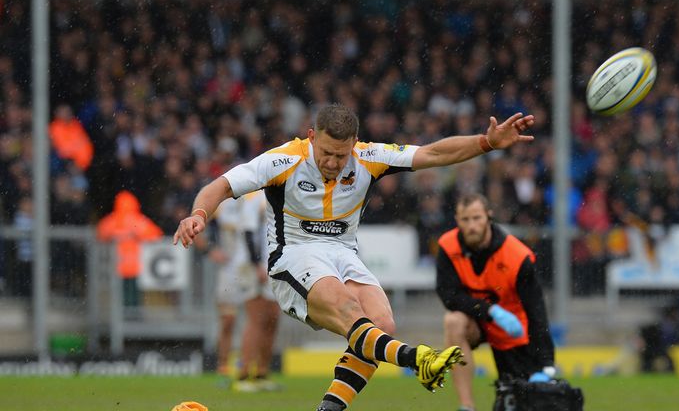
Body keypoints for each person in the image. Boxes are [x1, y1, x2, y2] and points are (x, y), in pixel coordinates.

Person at [174, 104, 535, 411]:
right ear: (312, 136)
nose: (332, 162)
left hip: (344, 254)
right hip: (293, 257)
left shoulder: (368, 157)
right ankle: (416, 358)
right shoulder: (283, 160)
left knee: (382, 324)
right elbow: (219, 186)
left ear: (354, 145)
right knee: (351, 312)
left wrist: (487, 142)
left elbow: (434, 154)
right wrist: (199, 215)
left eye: (340, 155)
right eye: (326, 152)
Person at [436, 193, 555, 411]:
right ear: (456, 219)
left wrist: (546, 364)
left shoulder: (517, 256)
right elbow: (448, 296)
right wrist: (490, 311)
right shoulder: (447, 246)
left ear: (489, 216)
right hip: (480, 322)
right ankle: (466, 407)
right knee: (453, 321)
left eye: (477, 218)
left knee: (521, 402)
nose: (472, 225)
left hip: (513, 331)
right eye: (466, 219)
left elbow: (536, 309)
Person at [205, 190, 281, 392]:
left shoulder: (277, 194)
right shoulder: (254, 197)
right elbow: (248, 231)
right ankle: (243, 374)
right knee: (256, 318)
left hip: (273, 265)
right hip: (251, 266)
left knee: (272, 318)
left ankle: (261, 373)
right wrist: (256, 264)